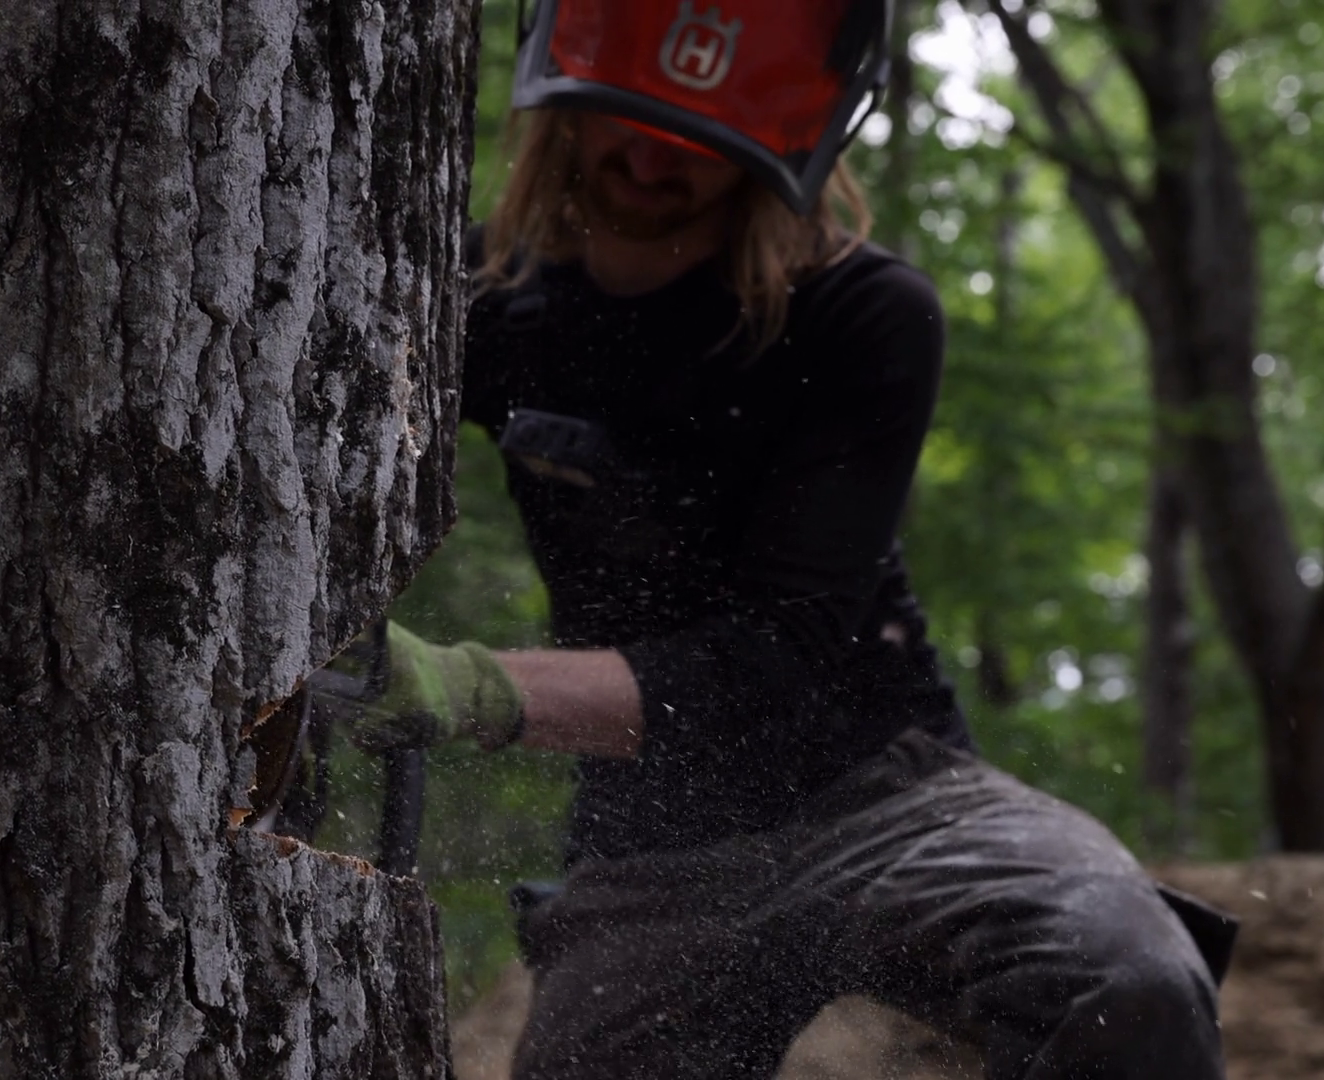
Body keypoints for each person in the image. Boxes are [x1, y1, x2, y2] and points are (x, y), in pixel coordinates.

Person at [317, 1, 1230, 1077]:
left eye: (698, 140)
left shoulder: (858, 312)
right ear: (565, 96)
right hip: (651, 842)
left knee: (1125, 978)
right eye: (630, 122)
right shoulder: (483, 300)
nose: (652, 163)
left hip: (889, 795)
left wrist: (473, 688)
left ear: (781, 140)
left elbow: (781, 655)